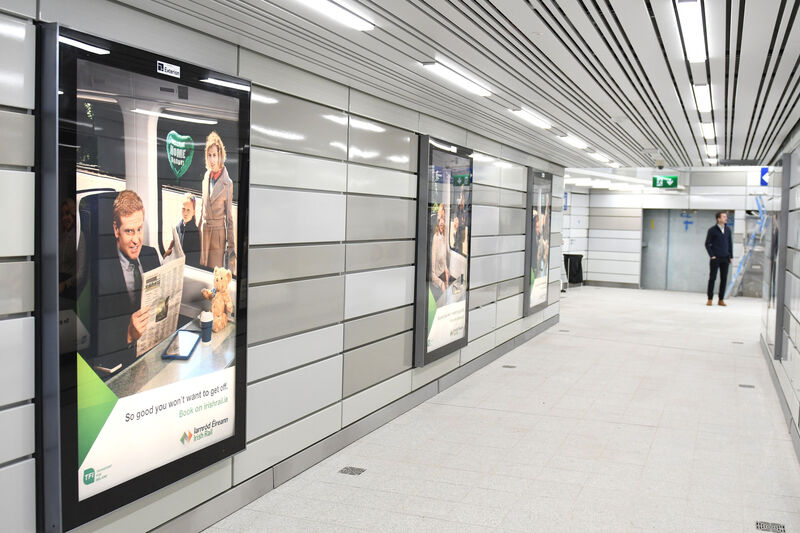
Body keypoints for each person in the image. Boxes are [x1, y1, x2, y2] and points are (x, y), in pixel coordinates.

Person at [94, 190, 161, 375]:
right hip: (122, 362)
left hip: (152, 352)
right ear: (116, 230)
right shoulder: (101, 270)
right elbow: (97, 334)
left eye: (139, 229)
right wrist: (128, 334)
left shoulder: (151, 255)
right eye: (129, 231)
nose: (136, 240)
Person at [199, 132, 236, 271]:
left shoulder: (228, 183)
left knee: (214, 274)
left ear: (220, 156)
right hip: (205, 232)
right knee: (202, 270)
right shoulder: (206, 176)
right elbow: (203, 207)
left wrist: (231, 248)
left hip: (218, 235)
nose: (212, 159)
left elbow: (229, 219)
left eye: (215, 155)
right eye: (209, 155)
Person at [705, 211, 733, 306]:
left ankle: (721, 299)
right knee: (712, 278)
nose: (726, 218)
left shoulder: (728, 230)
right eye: (724, 217)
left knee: (724, 279)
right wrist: (712, 255)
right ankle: (710, 299)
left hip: (725, 258)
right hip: (715, 258)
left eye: (726, 216)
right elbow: (707, 244)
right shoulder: (712, 230)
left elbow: (730, 244)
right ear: (718, 219)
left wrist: (731, 256)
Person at [169, 193, 201, 268]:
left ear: (193, 212)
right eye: (183, 209)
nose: (185, 213)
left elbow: (195, 259)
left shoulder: (195, 232)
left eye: (188, 210)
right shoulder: (177, 227)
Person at [430, 213, 450, 302]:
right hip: (437, 276)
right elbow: (432, 272)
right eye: (441, 225)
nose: (442, 227)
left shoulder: (444, 237)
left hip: (442, 272)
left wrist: (446, 269)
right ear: (438, 225)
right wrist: (440, 282)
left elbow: (444, 256)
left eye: (443, 225)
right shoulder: (436, 237)